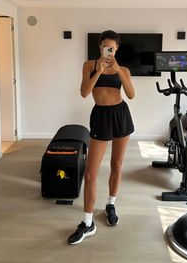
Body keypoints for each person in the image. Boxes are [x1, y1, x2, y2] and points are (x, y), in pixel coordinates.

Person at [68, 30, 135, 245]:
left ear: (117, 49)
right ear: (100, 47)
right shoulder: (89, 65)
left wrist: (118, 72)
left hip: (121, 115)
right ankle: (88, 223)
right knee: (90, 174)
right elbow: (84, 92)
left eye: (112, 48)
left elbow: (131, 95)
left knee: (117, 164)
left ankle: (111, 204)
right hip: (100, 116)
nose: (109, 50)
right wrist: (98, 71)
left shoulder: (122, 69)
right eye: (105, 47)